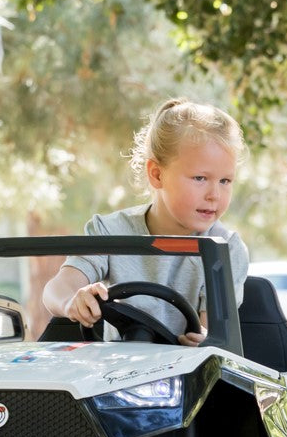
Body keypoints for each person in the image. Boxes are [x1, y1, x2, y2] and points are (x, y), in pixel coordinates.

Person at [43, 98, 250, 345]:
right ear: (157, 174)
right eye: (200, 178)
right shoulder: (110, 232)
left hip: (187, 377)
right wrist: (70, 301)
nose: (214, 195)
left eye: (225, 181)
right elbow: (56, 290)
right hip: (115, 374)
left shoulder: (225, 249)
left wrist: (205, 341)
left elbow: (212, 335)